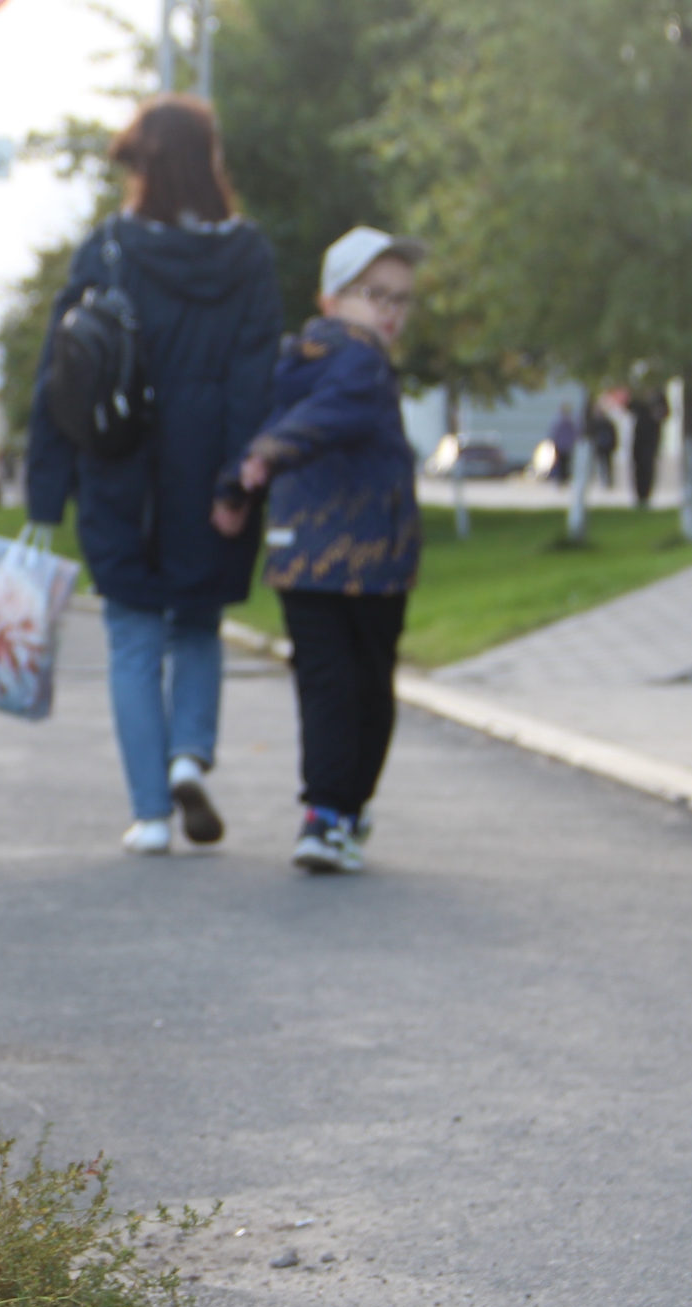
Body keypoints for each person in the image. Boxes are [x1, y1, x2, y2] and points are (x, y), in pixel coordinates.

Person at [26, 95, 280, 857]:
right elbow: (255, 378)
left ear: (142, 165)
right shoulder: (249, 254)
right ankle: (188, 756)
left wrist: (44, 492)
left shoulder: (107, 249)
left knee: (134, 637)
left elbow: (60, 374)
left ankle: (150, 815)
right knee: (198, 624)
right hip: (211, 466)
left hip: (120, 470)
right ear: (209, 161)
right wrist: (238, 481)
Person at [214, 226, 424, 876]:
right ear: (331, 300)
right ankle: (334, 810)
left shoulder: (286, 363)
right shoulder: (360, 360)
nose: (388, 310)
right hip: (367, 559)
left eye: (401, 299)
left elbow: (260, 421)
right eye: (373, 293)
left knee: (326, 681)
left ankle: (333, 810)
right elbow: (331, 412)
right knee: (361, 685)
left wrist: (238, 479)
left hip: (300, 551)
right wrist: (261, 461)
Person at [628, 387, 668, 509]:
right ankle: (639, 495)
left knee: (648, 466)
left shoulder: (659, 397)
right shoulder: (639, 399)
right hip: (639, 436)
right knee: (638, 466)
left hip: (651, 437)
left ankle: (646, 495)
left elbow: (665, 413)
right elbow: (630, 407)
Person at [584, 398, 619, 489]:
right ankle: (608, 480)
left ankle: (600, 479)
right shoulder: (609, 423)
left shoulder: (595, 423)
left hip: (599, 446)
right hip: (607, 446)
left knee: (599, 463)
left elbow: (591, 434)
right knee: (607, 464)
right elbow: (613, 434)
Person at [546, 404, 579, 485]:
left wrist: (553, 442)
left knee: (561, 463)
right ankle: (565, 478)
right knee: (566, 463)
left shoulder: (559, 422)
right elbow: (574, 434)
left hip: (560, 445)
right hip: (567, 446)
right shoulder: (570, 423)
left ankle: (561, 478)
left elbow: (554, 434)